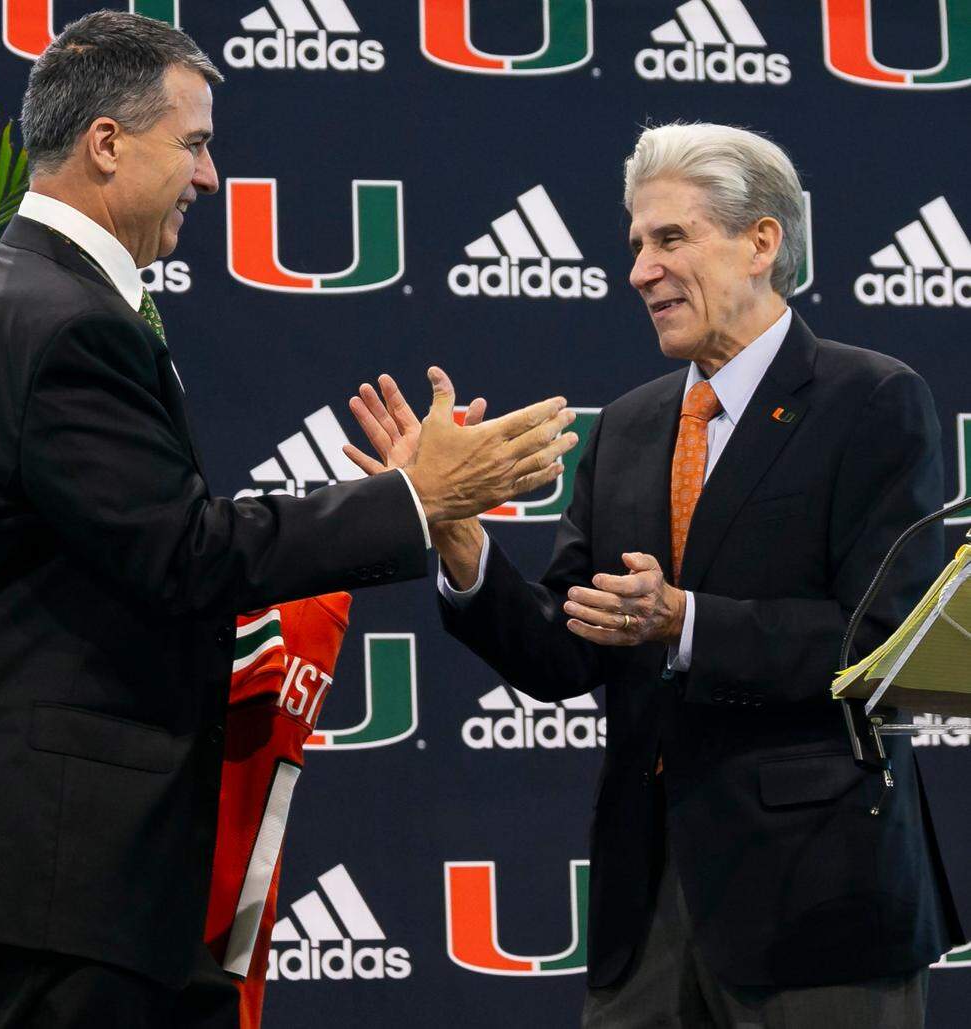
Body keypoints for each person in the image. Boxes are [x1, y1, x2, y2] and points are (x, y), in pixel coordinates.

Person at [0, 11, 577, 1028]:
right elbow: (185, 554)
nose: (211, 178)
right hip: (59, 882)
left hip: (44, 870)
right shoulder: (65, 323)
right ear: (108, 143)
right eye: (196, 143)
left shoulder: (2, 300)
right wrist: (415, 500)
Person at [345, 123, 962, 1027]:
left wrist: (687, 621)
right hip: (646, 909)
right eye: (636, 244)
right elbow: (565, 651)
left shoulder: (872, 399)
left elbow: (884, 648)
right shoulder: (631, 426)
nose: (639, 271)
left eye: (670, 238)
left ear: (762, 242)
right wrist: (463, 546)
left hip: (817, 906)